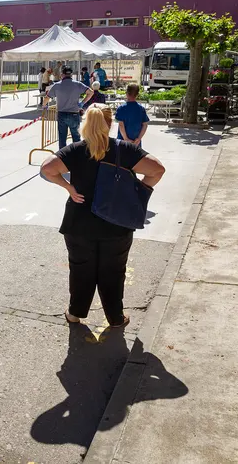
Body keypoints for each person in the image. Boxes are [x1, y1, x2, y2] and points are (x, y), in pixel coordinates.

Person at [40, 104, 165, 327]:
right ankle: (115, 318)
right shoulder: (124, 149)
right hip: (117, 223)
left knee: (80, 269)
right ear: (110, 124)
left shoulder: (76, 149)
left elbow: (47, 168)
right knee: (114, 271)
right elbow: (157, 170)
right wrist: (139, 191)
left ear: (85, 124)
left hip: (79, 222)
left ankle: (75, 314)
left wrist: (68, 187)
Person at [47, 66, 94, 149]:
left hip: (61, 114)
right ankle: (77, 156)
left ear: (62, 74)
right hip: (74, 114)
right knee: (76, 138)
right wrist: (82, 103)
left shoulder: (57, 85)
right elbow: (90, 92)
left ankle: (62, 157)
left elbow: (47, 97)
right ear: (71, 74)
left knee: (62, 138)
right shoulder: (78, 84)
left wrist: (44, 106)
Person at [116, 84, 150, 148]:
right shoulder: (141, 109)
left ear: (126, 93)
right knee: (135, 157)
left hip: (122, 141)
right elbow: (145, 125)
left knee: (122, 157)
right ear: (137, 95)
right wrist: (139, 139)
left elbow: (121, 125)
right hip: (136, 141)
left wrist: (126, 139)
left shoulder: (121, 108)